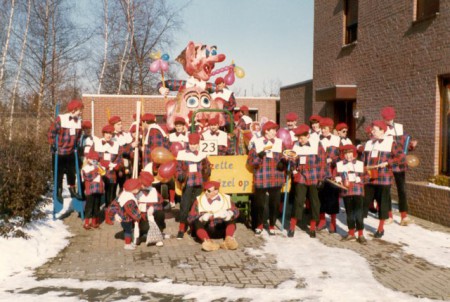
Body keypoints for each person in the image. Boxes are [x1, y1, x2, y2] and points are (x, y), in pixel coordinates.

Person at [362, 120, 405, 238]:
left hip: (384, 178)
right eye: (372, 129)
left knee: (382, 203)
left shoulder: (391, 143)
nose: (372, 131)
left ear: (382, 131)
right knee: (365, 201)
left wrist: (387, 163)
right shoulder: (368, 143)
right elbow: (363, 161)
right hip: (369, 177)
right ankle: (359, 227)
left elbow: (401, 157)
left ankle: (380, 229)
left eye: (374, 130)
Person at [381, 106, 418, 226]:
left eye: (390, 119)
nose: (389, 121)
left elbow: (405, 144)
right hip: (388, 163)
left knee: (402, 190)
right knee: (386, 190)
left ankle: (404, 216)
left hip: (400, 164)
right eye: (387, 119)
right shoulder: (381, 128)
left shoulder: (399, 127)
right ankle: (389, 216)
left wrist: (411, 145)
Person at [247, 121, 285, 235]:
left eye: (275, 130)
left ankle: (272, 225)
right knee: (259, 203)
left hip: (276, 177)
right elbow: (250, 162)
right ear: (266, 131)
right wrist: (259, 156)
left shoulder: (279, 143)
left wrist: (284, 162)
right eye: (273, 130)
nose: (275, 132)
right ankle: (259, 224)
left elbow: (285, 157)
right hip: (261, 177)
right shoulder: (257, 143)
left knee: (274, 204)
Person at [288, 124, 326, 238]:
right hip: (301, 176)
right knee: (298, 200)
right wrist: (292, 164)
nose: (300, 140)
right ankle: (292, 226)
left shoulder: (317, 144)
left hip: (314, 176)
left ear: (308, 135)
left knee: (315, 202)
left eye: (302, 137)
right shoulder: (295, 145)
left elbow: (322, 161)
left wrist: (321, 178)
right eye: (298, 138)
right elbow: (293, 163)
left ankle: (313, 226)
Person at [175, 133, 211, 239]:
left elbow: (207, 167)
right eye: (191, 144)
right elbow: (178, 169)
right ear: (188, 143)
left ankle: (194, 227)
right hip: (188, 183)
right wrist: (180, 175)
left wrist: (207, 170)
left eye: (195, 144)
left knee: (196, 207)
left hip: (199, 183)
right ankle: (182, 228)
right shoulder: (182, 154)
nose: (193, 146)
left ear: (198, 144)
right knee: (185, 206)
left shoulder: (202, 154)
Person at [47, 99, 84, 202]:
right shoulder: (61, 119)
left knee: (71, 171)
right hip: (59, 151)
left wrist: (77, 144)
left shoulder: (79, 122)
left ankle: (72, 189)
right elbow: (51, 132)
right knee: (58, 172)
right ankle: (59, 191)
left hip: (71, 151)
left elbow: (79, 135)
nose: (81, 112)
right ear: (73, 110)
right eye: (79, 110)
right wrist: (53, 143)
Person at [187, 181, 240, 251]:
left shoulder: (226, 198)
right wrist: (201, 217)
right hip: (207, 230)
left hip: (221, 229)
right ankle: (208, 242)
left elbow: (236, 211)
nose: (206, 192)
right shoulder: (199, 200)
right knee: (196, 222)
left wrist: (229, 213)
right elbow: (190, 218)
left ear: (216, 191)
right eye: (205, 190)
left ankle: (229, 239)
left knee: (231, 218)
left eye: (208, 191)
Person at [334, 145, 367, 244]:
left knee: (358, 213)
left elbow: (367, 176)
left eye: (350, 153)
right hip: (346, 191)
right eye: (346, 154)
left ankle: (360, 234)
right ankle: (351, 232)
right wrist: (337, 178)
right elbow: (334, 174)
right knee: (349, 213)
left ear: (354, 154)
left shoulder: (360, 164)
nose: (348, 156)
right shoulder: (340, 164)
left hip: (357, 190)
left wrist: (360, 179)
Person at [91, 124, 123, 224]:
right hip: (99, 173)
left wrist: (116, 165)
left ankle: (109, 216)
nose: (108, 135)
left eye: (110, 134)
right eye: (107, 133)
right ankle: (95, 217)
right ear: (103, 134)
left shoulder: (116, 145)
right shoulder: (96, 143)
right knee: (97, 195)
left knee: (111, 196)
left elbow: (120, 159)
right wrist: (99, 166)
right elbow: (91, 157)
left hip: (111, 173)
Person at [317, 117, 341, 233]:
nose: (323, 131)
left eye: (325, 128)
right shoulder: (316, 139)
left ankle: (333, 222)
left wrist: (332, 160)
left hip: (332, 173)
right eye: (321, 128)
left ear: (330, 128)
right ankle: (321, 220)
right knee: (320, 197)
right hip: (320, 173)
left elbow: (341, 156)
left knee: (333, 198)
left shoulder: (337, 140)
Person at [137, 171, 165, 247]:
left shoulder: (153, 190)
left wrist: (153, 207)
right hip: (140, 217)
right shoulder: (135, 190)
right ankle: (136, 235)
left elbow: (160, 204)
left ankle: (158, 236)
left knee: (160, 213)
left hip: (151, 216)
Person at [115, 178, 142, 250]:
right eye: (138, 188)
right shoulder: (129, 200)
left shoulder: (124, 193)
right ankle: (127, 244)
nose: (138, 190)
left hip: (123, 216)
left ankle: (129, 242)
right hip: (126, 218)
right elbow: (131, 211)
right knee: (128, 231)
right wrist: (138, 216)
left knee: (128, 230)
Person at [81, 149, 105, 230]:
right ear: (88, 159)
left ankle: (94, 221)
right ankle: (87, 222)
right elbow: (88, 177)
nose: (93, 161)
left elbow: (103, 173)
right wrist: (96, 170)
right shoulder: (85, 168)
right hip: (90, 190)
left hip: (98, 189)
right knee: (89, 206)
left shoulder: (98, 166)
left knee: (96, 205)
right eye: (91, 159)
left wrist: (99, 167)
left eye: (95, 160)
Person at [110, 115, 133, 192]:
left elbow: (131, 145)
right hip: (116, 164)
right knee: (113, 186)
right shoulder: (111, 137)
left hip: (126, 163)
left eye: (121, 124)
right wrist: (130, 146)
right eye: (118, 124)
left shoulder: (125, 135)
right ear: (113, 126)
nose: (121, 126)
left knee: (124, 185)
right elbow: (119, 150)